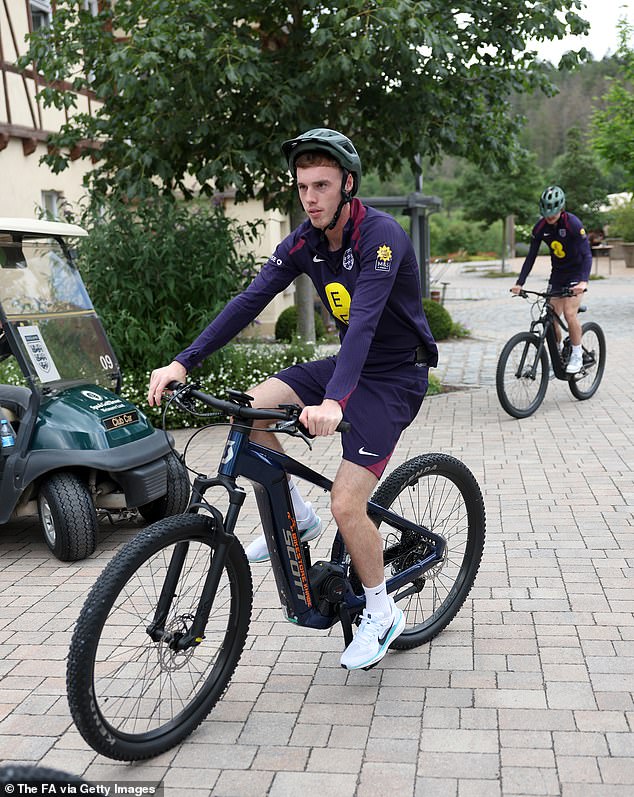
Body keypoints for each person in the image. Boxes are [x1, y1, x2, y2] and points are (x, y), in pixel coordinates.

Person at [148, 128, 438, 671]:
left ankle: (380, 609)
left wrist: (333, 402)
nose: (310, 197)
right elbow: (248, 301)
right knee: (253, 407)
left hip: (395, 375)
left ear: (347, 186)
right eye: (303, 186)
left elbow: (364, 325)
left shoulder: (381, 238)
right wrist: (184, 361)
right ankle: (298, 518)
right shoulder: (304, 242)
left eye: (322, 185)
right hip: (347, 368)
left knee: (348, 503)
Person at [512, 185, 592, 373]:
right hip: (557, 275)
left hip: (576, 274)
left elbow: (587, 255)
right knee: (551, 318)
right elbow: (531, 257)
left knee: (570, 313)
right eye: (547, 212)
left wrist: (583, 281)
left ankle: (577, 355)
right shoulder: (540, 227)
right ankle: (556, 355)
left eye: (553, 212)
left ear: (561, 208)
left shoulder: (572, 223)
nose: (550, 216)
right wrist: (519, 283)